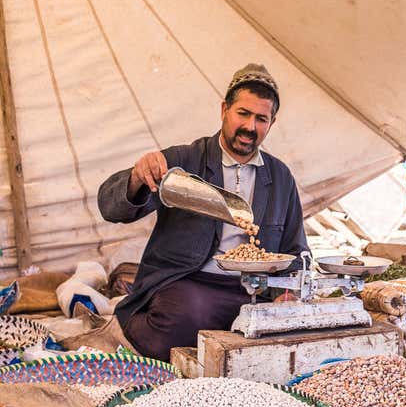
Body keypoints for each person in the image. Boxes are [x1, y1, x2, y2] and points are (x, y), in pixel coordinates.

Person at [98, 64, 308, 362]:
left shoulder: (280, 177)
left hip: (253, 292)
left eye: (261, 119)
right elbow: (109, 206)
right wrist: (136, 176)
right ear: (224, 110)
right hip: (190, 282)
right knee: (185, 316)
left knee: (286, 332)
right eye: (243, 114)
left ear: (272, 123)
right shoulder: (185, 161)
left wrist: (289, 295)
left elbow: (295, 248)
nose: (250, 126)